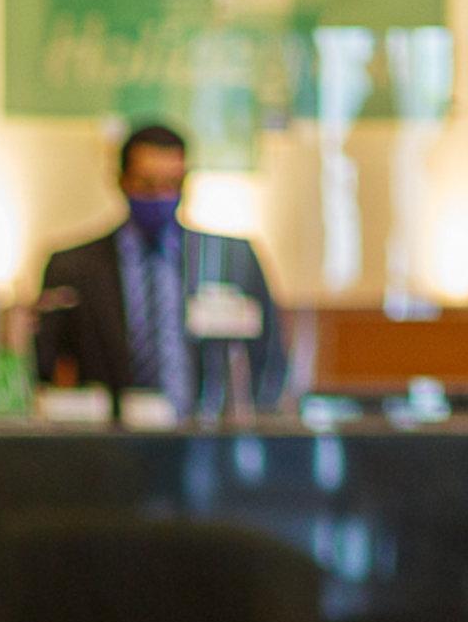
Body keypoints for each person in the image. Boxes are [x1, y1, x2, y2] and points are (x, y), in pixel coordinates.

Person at [29, 121, 290, 418]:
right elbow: (44, 367)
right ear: (122, 180)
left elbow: (269, 360)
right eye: (147, 184)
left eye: (172, 184)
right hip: (113, 443)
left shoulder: (230, 259)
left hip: (206, 437)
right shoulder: (73, 267)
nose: (160, 196)